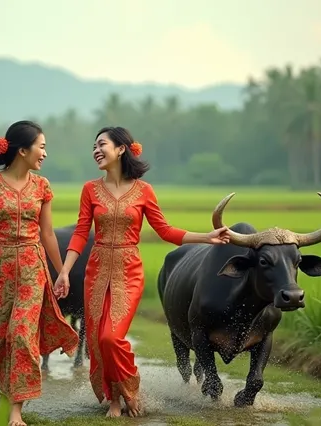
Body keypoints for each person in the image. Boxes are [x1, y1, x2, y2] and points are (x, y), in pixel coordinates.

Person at [54, 126, 230, 418]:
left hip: (128, 272)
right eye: (94, 146)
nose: (96, 150)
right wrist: (64, 271)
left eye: (102, 144)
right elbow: (81, 233)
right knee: (98, 340)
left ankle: (131, 390)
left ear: (121, 149)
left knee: (112, 337)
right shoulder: (89, 189)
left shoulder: (144, 191)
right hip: (95, 273)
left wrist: (207, 237)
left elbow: (165, 230)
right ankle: (113, 400)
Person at [0, 120, 80, 426]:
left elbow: (47, 235)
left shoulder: (43, 187)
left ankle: (17, 411)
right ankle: (7, 397)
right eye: (41, 147)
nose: (45, 153)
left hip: (33, 267)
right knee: (3, 339)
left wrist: (61, 272)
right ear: (22, 150)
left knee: (22, 333)